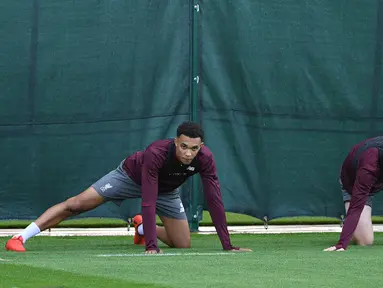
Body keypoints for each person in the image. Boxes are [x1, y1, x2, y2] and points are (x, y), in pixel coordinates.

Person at [5, 121, 252, 254]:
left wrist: (227, 245)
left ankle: (143, 227)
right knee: (76, 204)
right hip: (129, 177)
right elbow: (148, 199)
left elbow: (214, 199)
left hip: (167, 190)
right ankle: (20, 237)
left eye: (194, 148)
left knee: (183, 243)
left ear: (201, 146)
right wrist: (152, 248)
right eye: (184, 146)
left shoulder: (205, 159)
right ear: (176, 142)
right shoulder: (156, 153)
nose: (188, 153)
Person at [324, 136, 383, 251]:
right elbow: (356, 207)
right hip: (354, 182)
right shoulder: (369, 167)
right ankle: (347, 220)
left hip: (376, 177)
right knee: (365, 241)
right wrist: (341, 244)